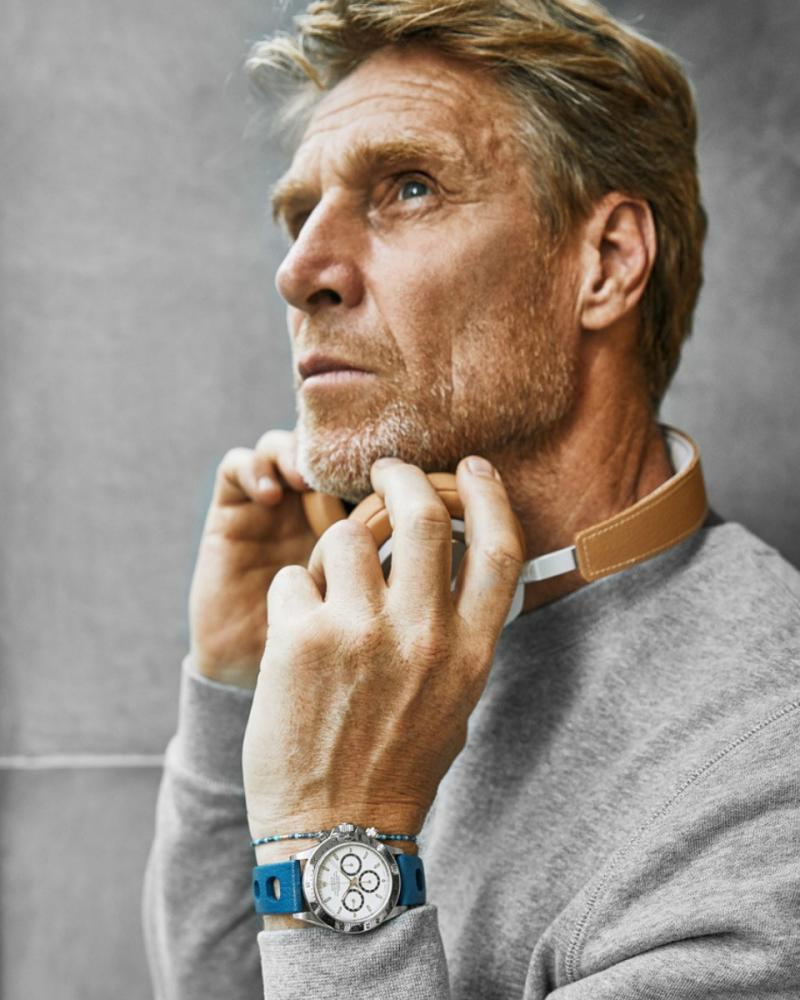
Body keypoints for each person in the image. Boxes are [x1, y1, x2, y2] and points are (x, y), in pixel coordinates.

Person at [143, 1, 800, 997]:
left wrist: (340, 841)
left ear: (606, 263)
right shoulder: (374, 637)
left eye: (408, 188)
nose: (299, 271)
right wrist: (240, 693)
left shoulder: (764, 789)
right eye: (298, 213)